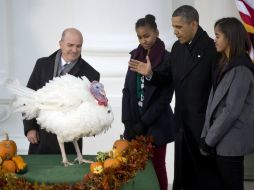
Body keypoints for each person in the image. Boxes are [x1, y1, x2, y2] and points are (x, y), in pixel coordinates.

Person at [128, 5, 223, 190]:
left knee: (203, 176)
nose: (175, 31)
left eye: (179, 27)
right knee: (183, 175)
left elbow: (218, 91)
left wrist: (213, 128)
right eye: (173, 26)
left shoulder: (212, 50)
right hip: (181, 124)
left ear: (194, 24)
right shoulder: (178, 48)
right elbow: (167, 79)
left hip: (203, 126)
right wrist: (150, 74)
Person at [23, 28, 100, 156]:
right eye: (70, 45)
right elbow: (28, 95)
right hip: (40, 138)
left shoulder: (91, 74)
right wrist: (30, 127)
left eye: (78, 46)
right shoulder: (42, 64)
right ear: (60, 43)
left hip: (69, 142)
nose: (74, 50)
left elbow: (90, 110)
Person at [200, 17, 254, 190]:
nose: (214, 40)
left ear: (229, 37)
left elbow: (231, 111)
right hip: (219, 140)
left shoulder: (242, 68)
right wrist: (205, 135)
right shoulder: (224, 64)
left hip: (231, 143)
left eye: (217, 36)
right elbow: (213, 102)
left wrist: (209, 140)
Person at [121, 14, 174, 190]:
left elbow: (164, 98)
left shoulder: (167, 58)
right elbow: (128, 91)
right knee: (136, 167)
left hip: (156, 124)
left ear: (156, 33)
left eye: (147, 35)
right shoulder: (135, 56)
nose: (144, 40)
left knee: (157, 166)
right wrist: (128, 122)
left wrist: (144, 123)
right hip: (135, 122)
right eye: (140, 37)